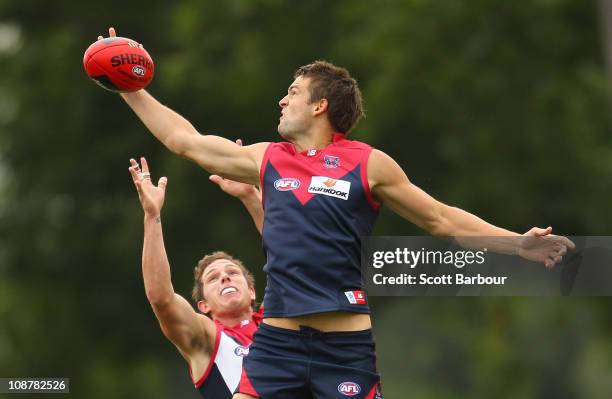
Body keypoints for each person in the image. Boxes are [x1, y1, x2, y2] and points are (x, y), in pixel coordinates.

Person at [101, 27, 574, 399]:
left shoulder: (370, 164)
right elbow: (185, 141)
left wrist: (517, 243)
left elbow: (442, 219)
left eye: (293, 91)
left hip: (343, 348)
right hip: (278, 344)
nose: (282, 100)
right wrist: (126, 85)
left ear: (320, 105)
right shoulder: (267, 158)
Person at [128, 155, 264, 399]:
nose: (225, 278)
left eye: (232, 273)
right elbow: (161, 298)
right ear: (204, 306)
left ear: (252, 291)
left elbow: (292, 259)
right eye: (213, 278)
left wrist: (251, 197)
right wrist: (152, 215)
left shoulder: (277, 321)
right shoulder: (207, 336)